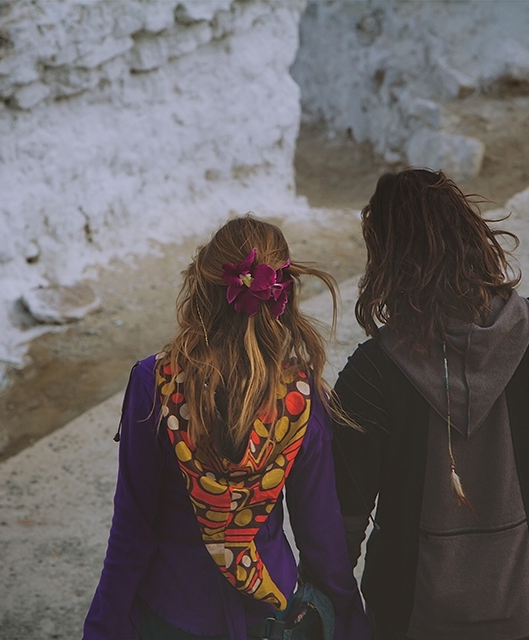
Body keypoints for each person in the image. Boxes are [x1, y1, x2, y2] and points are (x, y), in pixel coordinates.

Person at [331, 169, 529, 640]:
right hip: (521, 600)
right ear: (471, 233)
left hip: (411, 613)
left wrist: (334, 605)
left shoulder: (373, 371)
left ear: (387, 260)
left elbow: (345, 516)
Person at [84, 216, 370, 640]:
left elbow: (133, 526)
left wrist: (104, 626)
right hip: (266, 611)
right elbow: (321, 535)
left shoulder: (154, 384)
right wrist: (348, 615)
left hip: (172, 611)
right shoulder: (300, 398)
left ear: (204, 289)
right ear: (284, 296)